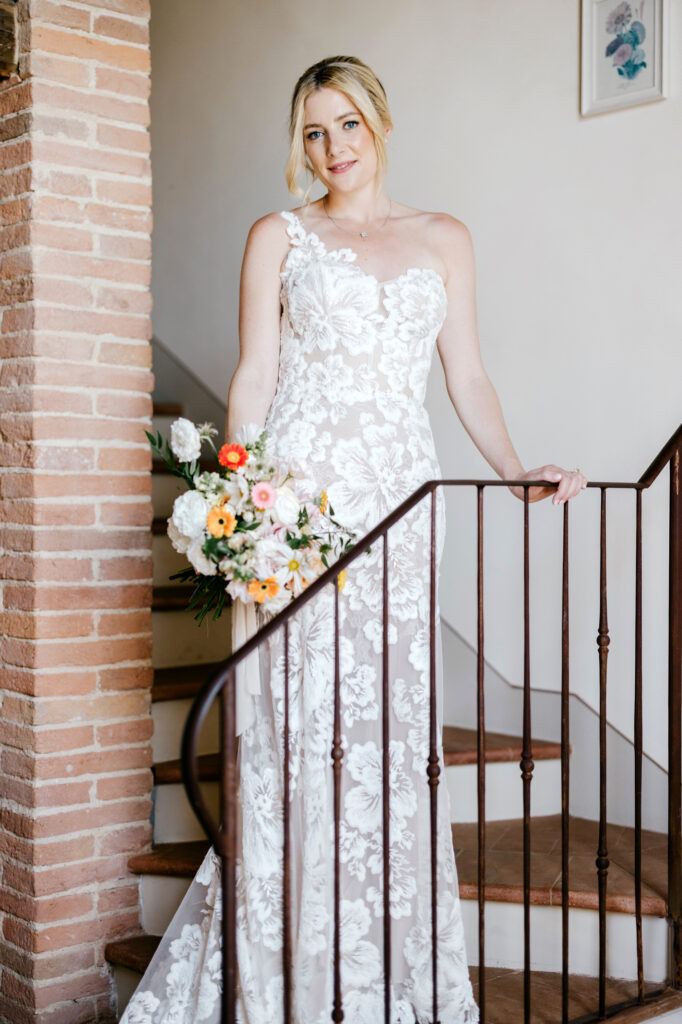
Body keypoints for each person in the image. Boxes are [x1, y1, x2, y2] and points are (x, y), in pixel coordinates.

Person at [120, 55, 587, 1024]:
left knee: (387, 729)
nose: (332, 148)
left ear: (379, 123)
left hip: (402, 504)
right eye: (313, 132)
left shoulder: (443, 237)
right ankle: (286, 959)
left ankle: (385, 955)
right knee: (295, 727)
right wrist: (235, 505)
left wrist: (512, 468)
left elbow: (466, 377)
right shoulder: (276, 236)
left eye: (347, 125)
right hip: (297, 504)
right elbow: (252, 376)